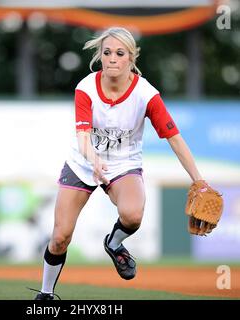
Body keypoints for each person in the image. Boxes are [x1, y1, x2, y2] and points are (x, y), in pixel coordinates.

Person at [34, 27, 203, 300]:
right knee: (60, 237)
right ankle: (46, 293)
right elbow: (83, 136)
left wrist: (199, 179)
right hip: (83, 163)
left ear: (131, 58)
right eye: (107, 52)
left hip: (124, 164)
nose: (112, 58)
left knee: (133, 215)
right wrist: (94, 161)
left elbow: (174, 138)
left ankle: (113, 243)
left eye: (120, 53)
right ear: (100, 56)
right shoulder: (86, 87)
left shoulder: (146, 94)